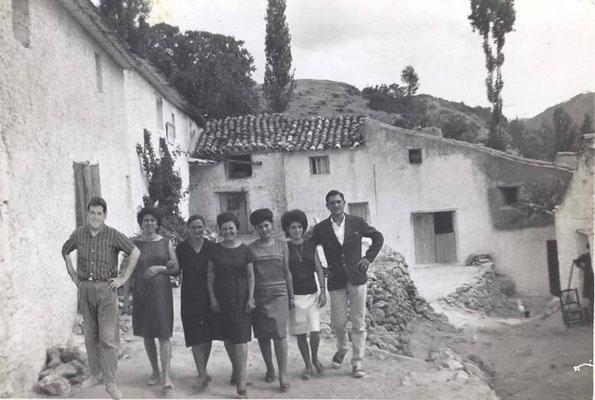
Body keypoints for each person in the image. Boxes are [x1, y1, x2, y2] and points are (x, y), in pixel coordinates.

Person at [61, 197, 140, 400]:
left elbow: (135, 252)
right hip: (85, 289)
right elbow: (65, 251)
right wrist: (72, 275)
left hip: (106, 290)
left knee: (108, 339)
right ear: (87, 214)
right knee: (90, 336)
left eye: (99, 213)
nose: (95, 216)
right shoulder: (78, 234)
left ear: (104, 215)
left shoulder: (113, 235)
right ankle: (95, 374)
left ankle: (110, 382)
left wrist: (123, 278)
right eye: (92, 213)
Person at [310, 190, 384, 378]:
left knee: (358, 323)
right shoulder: (321, 229)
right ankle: (342, 347)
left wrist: (368, 258)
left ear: (344, 203)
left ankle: (357, 362)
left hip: (357, 278)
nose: (335, 205)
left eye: (338, 202)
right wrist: (321, 268)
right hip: (336, 280)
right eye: (332, 203)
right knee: (338, 323)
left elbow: (378, 237)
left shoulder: (356, 222)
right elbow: (308, 247)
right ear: (327, 206)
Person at [129, 207, 179, 389]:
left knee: (164, 334)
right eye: (146, 220)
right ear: (141, 223)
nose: (149, 223)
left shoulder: (166, 243)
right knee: (147, 334)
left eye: (152, 220)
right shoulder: (134, 244)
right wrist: (126, 298)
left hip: (161, 295)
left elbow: (176, 269)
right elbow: (129, 272)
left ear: (157, 223)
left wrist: (160, 268)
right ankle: (155, 370)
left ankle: (166, 377)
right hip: (142, 293)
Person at [207, 212, 255, 399]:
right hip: (222, 296)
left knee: (241, 338)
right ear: (220, 230)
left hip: (242, 296)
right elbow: (210, 277)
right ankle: (236, 371)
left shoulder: (245, 250)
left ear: (237, 229)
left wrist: (250, 298)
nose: (228, 231)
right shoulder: (215, 250)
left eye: (231, 228)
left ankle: (241, 383)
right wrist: (212, 298)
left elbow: (251, 276)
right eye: (225, 228)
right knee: (228, 338)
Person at [248, 209, 294, 392]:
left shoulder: (283, 246)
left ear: (272, 225)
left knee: (280, 334)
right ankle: (270, 368)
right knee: (263, 335)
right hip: (259, 295)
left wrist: (291, 296)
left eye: (266, 225)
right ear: (256, 229)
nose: (264, 229)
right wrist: (250, 297)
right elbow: (250, 275)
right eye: (260, 227)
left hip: (279, 295)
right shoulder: (250, 248)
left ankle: (283, 374)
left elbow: (287, 272)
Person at [281, 209, 327, 380]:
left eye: (300, 227)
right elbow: (287, 272)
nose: (297, 230)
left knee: (315, 331)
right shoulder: (285, 247)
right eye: (293, 227)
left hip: (313, 294)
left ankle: (315, 358)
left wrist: (323, 290)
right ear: (288, 229)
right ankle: (307, 364)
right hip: (296, 296)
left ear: (303, 228)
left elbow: (319, 269)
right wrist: (291, 296)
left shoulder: (311, 246)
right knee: (301, 333)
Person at [176, 215, 213, 390]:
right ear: (188, 228)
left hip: (209, 295)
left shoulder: (212, 247)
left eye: (200, 227)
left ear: (204, 228)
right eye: (193, 227)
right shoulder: (181, 249)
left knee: (207, 335)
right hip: (189, 296)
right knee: (194, 335)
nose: (197, 230)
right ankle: (201, 373)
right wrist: (165, 267)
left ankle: (203, 371)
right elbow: (175, 270)